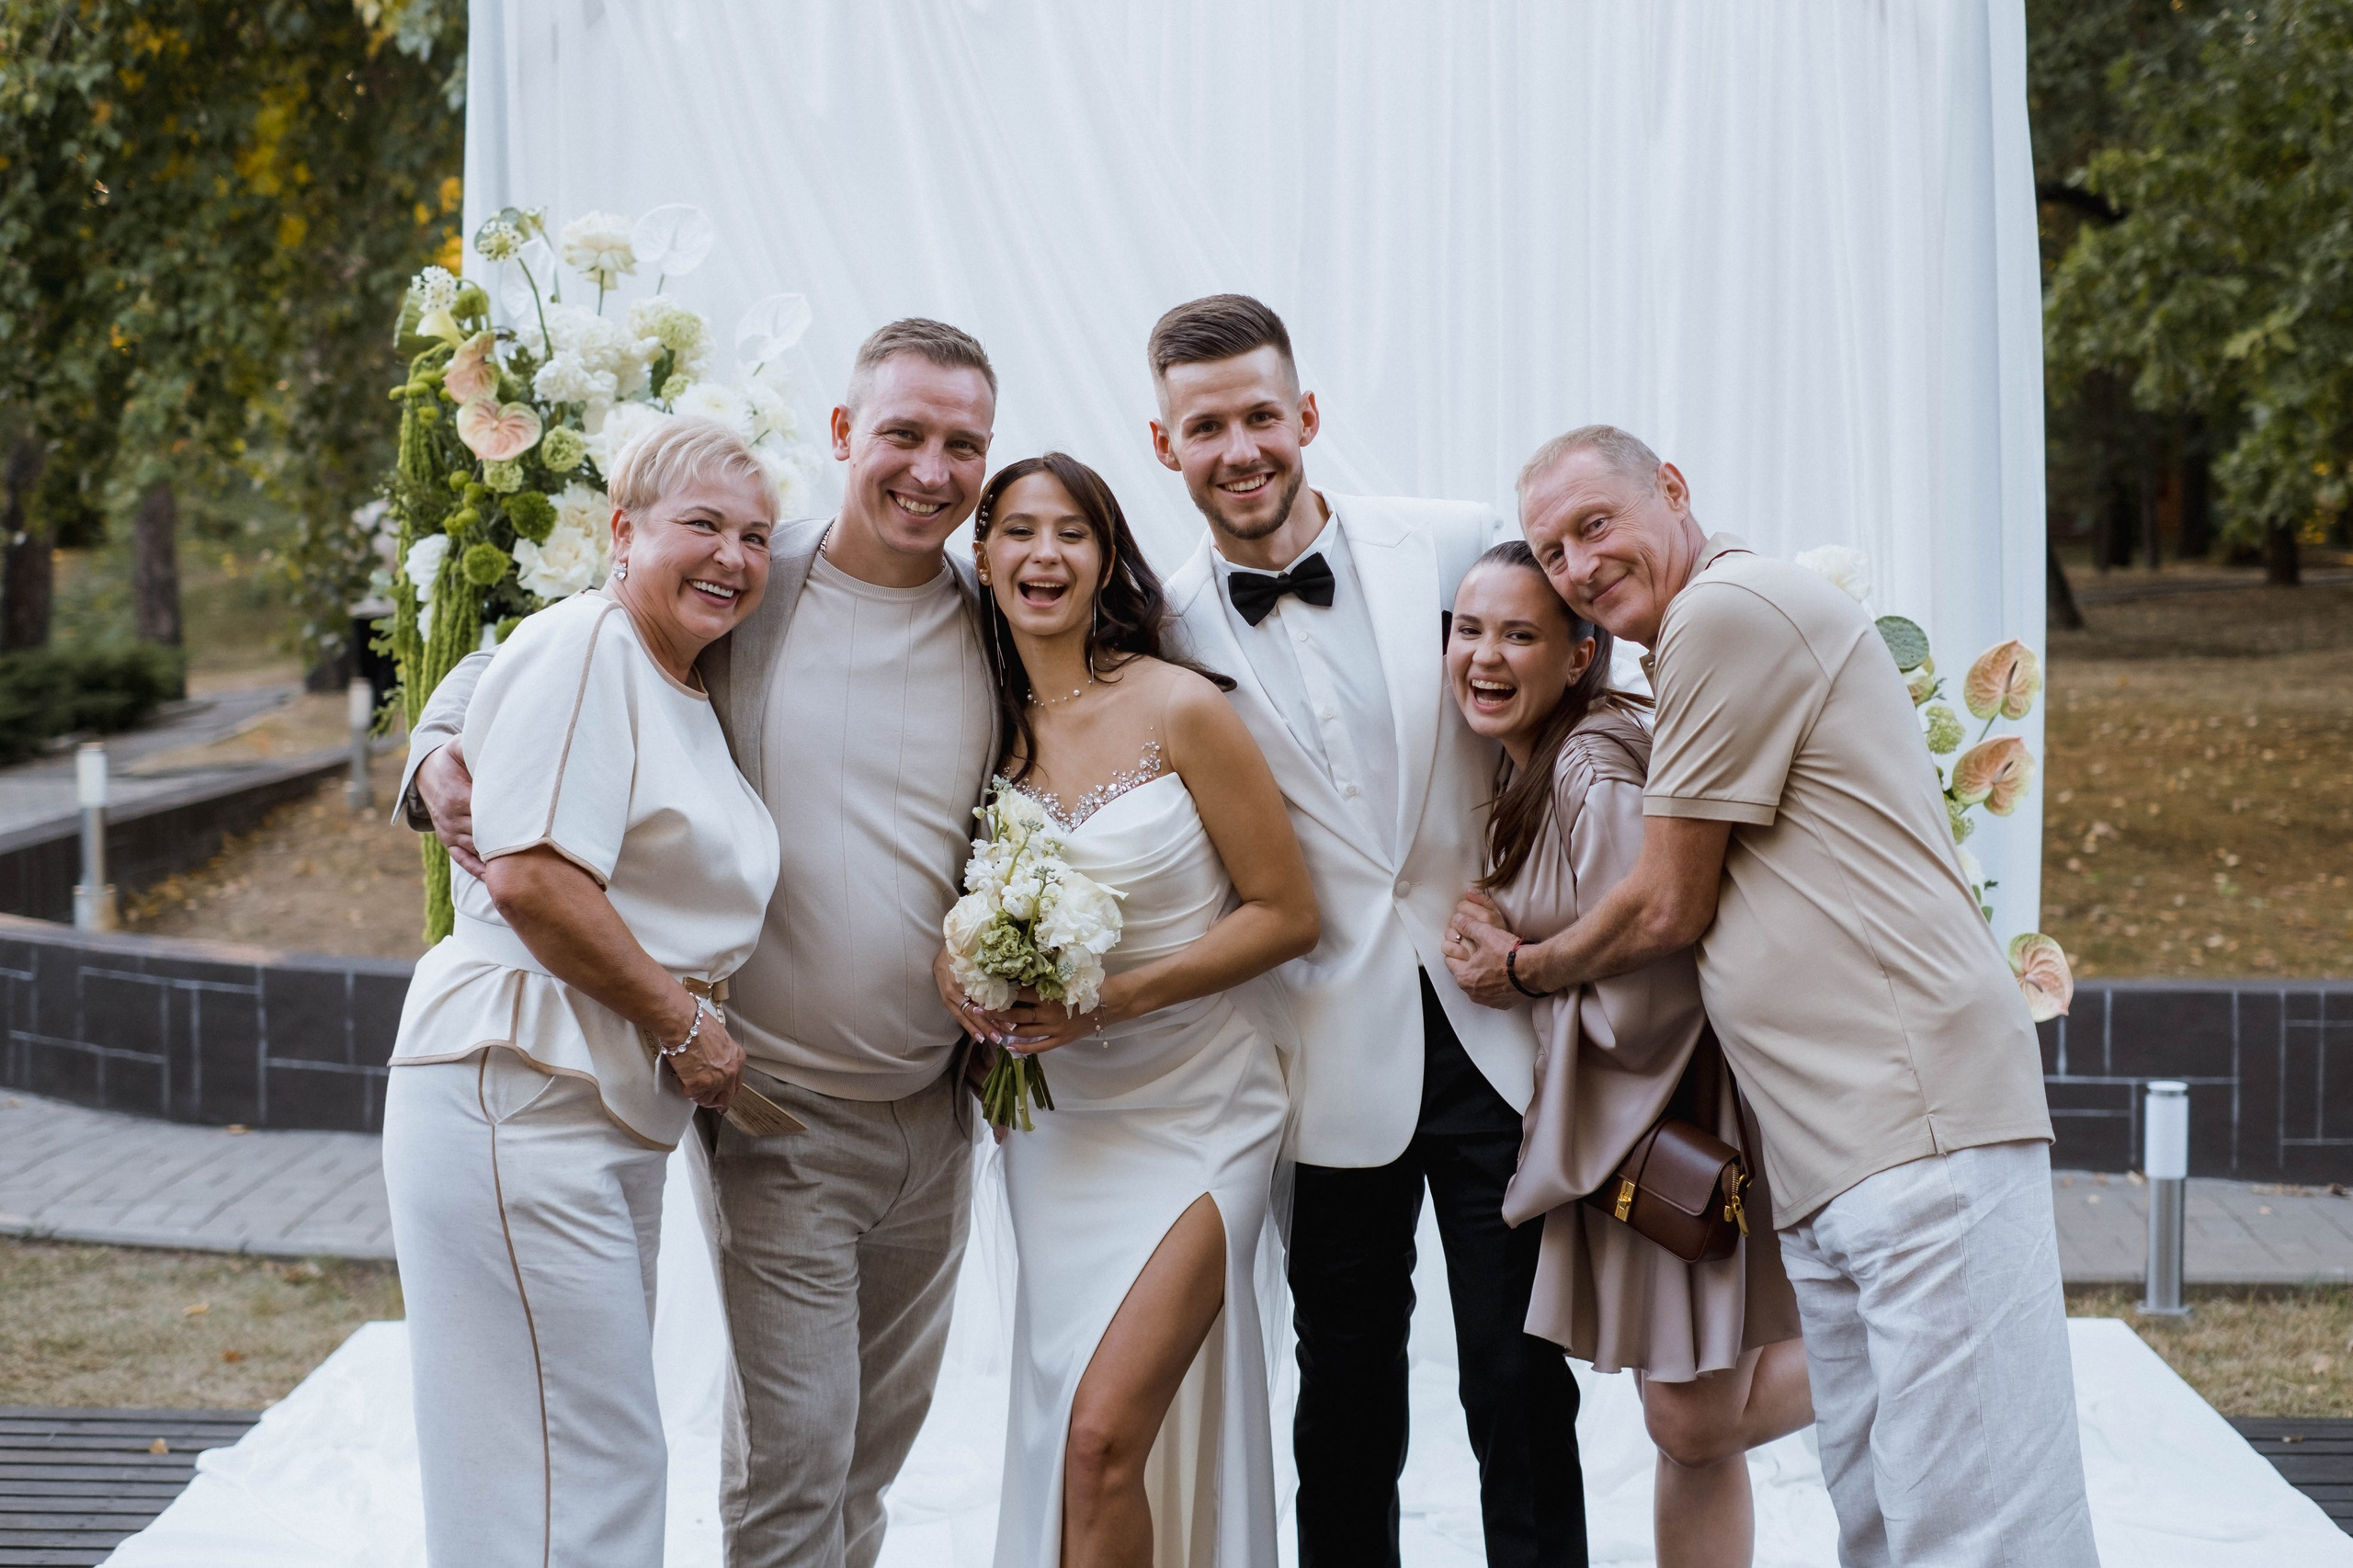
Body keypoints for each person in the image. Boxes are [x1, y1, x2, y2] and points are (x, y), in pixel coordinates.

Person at [403, 319, 1003, 1568]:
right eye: (903, 433)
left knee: (869, 1460)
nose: (930, 469)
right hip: (776, 1112)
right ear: (844, 433)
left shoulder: (997, 614)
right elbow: (535, 655)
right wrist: (433, 750)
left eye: (963, 445)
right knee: (779, 1464)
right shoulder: (754, 582)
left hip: (936, 1109)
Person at [1449, 426, 2097, 1568]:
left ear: (1673, 489)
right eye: (1553, 550)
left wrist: (1520, 968)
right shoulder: (1693, 645)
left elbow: (1665, 904)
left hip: (1914, 1117)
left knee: (1977, 1524)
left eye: (1595, 525)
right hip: (1834, 1147)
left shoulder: (1724, 610)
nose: (1578, 566)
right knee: (1885, 1515)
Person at [1151, 295, 1580, 1568]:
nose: (1240, 449)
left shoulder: (1450, 544)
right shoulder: (1162, 628)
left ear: (1307, 415)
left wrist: (1542, 888)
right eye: (1206, 426)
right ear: (1166, 443)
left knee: (1520, 1376)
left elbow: (1576, 690)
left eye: (1261, 416)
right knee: (1344, 1391)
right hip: (1318, 1050)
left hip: (1494, 1026)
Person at [381, 416, 779, 1567]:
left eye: (756, 535)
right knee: (581, 1464)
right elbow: (533, 880)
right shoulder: (588, 643)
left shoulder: (678, 677)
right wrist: (685, 1021)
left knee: (554, 1460)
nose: (733, 555)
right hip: (520, 1085)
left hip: (592, 1101)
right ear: (621, 531)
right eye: (702, 523)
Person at [948, 451, 1317, 1566]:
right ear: (983, 555)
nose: (1044, 553)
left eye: (1072, 531)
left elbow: (1286, 912)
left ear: (1108, 559)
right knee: (1074, 1430)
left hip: (1200, 1109)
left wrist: (1111, 1000)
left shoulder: (1178, 705)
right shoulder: (981, 726)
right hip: (1060, 1128)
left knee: (1103, 1432)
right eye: (1019, 530)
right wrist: (962, 974)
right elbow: (945, 905)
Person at [1444, 542, 1813, 1568]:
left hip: (1669, 1117)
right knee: (1692, 1431)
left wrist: (1515, 966)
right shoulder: (1539, 757)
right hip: (1657, 1115)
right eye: (1468, 629)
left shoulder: (1589, 767)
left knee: (1689, 1420)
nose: (1484, 655)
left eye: (1519, 633)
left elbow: (1652, 971)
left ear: (1580, 654)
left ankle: (1903, 1343)